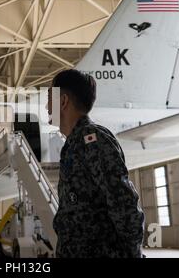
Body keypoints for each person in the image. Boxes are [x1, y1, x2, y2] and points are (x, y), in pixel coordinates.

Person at [47, 69, 145, 258]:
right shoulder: (74, 144)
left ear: (63, 101)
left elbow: (124, 204)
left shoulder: (93, 140)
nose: (46, 106)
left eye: (50, 97)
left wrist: (133, 253)